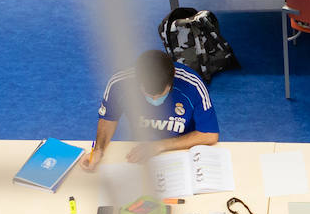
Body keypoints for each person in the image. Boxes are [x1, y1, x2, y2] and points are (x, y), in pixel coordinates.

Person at [80, 50, 219, 172]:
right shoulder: (119, 83)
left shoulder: (192, 84)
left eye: (160, 96)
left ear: (171, 82)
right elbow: (108, 118)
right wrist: (98, 149)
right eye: (149, 95)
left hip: (182, 148)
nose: (154, 100)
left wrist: (160, 145)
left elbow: (210, 134)